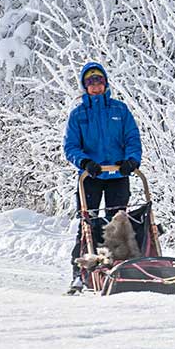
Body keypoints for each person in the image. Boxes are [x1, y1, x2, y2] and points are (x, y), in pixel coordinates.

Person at [63, 62, 143, 293]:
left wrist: (131, 160)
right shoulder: (78, 115)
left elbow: (132, 138)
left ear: (105, 83)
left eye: (99, 80)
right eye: (90, 82)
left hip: (118, 174)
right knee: (87, 224)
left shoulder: (120, 110)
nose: (95, 85)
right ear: (85, 86)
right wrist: (85, 162)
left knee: (117, 224)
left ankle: (117, 269)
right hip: (91, 176)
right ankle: (80, 274)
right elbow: (70, 146)